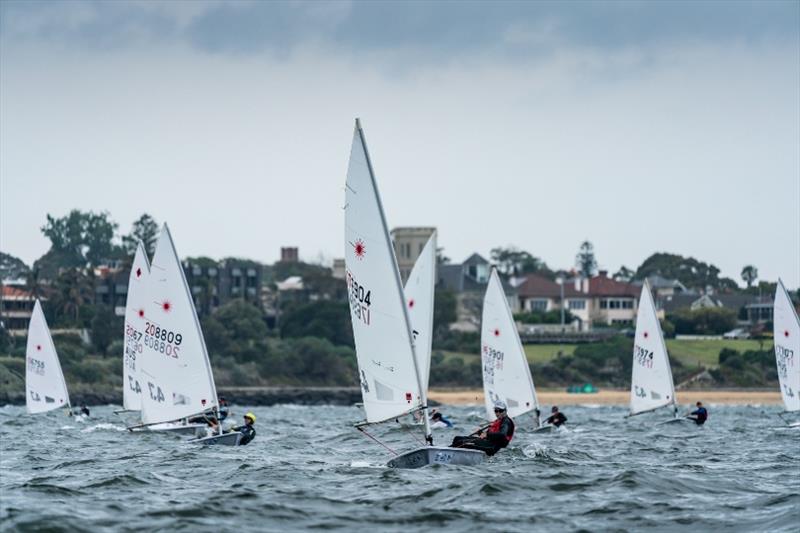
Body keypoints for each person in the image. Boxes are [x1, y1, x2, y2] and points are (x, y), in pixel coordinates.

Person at [450, 401, 514, 456]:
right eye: (496, 411)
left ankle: (449, 453)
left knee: (462, 442)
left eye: (500, 411)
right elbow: (488, 435)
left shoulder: (506, 422)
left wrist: (487, 434)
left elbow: (502, 435)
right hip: (487, 442)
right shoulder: (498, 421)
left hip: (492, 447)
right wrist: (480, 433)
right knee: (457, 438)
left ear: (505, 411)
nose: (498, 413)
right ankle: (448, 451)